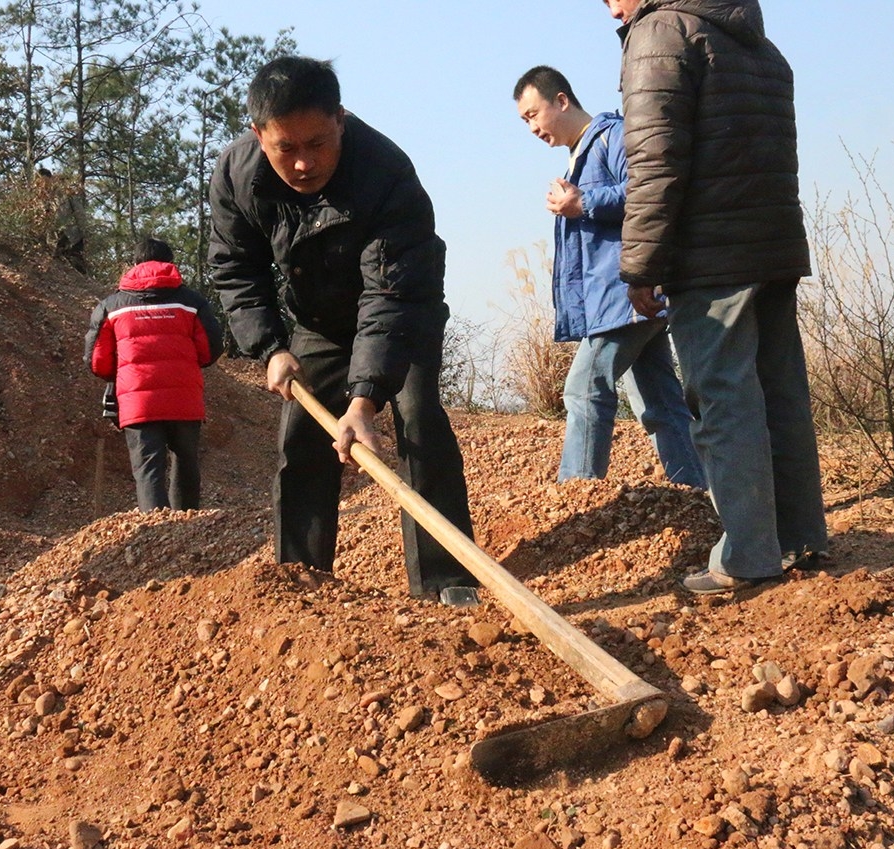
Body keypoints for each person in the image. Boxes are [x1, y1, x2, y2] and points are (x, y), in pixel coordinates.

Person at [207, 55, 480, 607]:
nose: (304, 164)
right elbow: (237, 268)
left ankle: (446, 581)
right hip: (318, 317)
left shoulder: (385, 172)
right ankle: (299, 581)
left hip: (404, 307)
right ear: (260, 135)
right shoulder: (238, 175)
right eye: (287, 148)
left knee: (418, 417)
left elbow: (390, 295)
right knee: (301, 437)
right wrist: (270, 347)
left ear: (340, 118)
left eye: (317, 143)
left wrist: (364, 399)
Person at [604, 0, 829, 594]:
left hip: (712, 257)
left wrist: (640, 265)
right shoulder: (758, 43)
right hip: (772, 243)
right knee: (779, 394)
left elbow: (654, 161)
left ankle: (748, 556)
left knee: (723, 399)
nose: (612, 11)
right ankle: (801, 538)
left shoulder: (658, 34)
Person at [512, 65, 704, 487]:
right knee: (660, 403)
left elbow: (647, 190)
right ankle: (695, 494)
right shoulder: (580, 154)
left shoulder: (612, 137)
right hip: (623, 299)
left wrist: (585, 202)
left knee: (583, 388)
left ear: (561, 100)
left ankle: (576, 493)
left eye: (533, 114)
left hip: (626, 297)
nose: (531, 128)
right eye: (524, 121)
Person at [85, 237, 223, 512]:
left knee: (148, 469)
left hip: (138, 402)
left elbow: (97, 361)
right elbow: (210, 350)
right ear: (170, 264)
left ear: (135, 264)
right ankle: (188, 526)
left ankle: (156, 532)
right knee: (186, 462)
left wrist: (125, 375)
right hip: (184, 398)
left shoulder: (112, 306)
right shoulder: (192, 302)